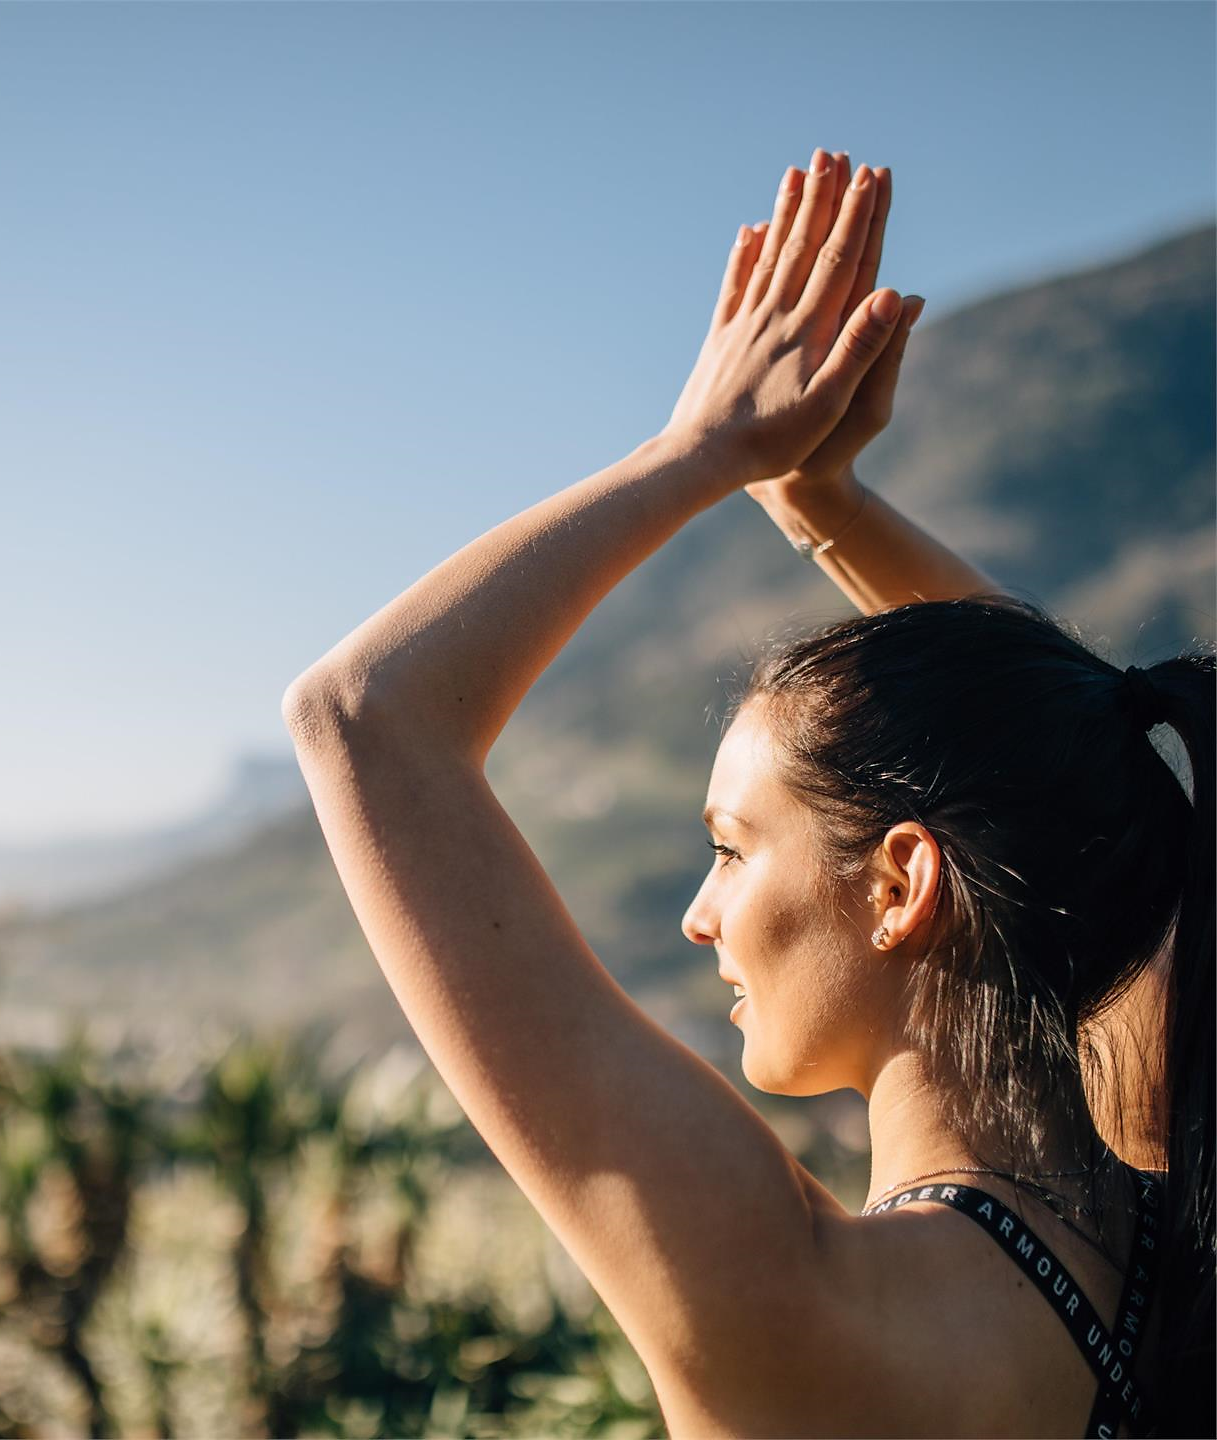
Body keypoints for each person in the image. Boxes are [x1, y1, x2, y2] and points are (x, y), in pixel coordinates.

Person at [282, 146, 1213, 1437]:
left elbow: (361, 718)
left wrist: (698, 450)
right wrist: (821, 504)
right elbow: (1082, 764)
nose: (698, 918)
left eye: (729, 848)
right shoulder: (1174, 1236)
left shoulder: (806, 1308)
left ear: (902, 883)